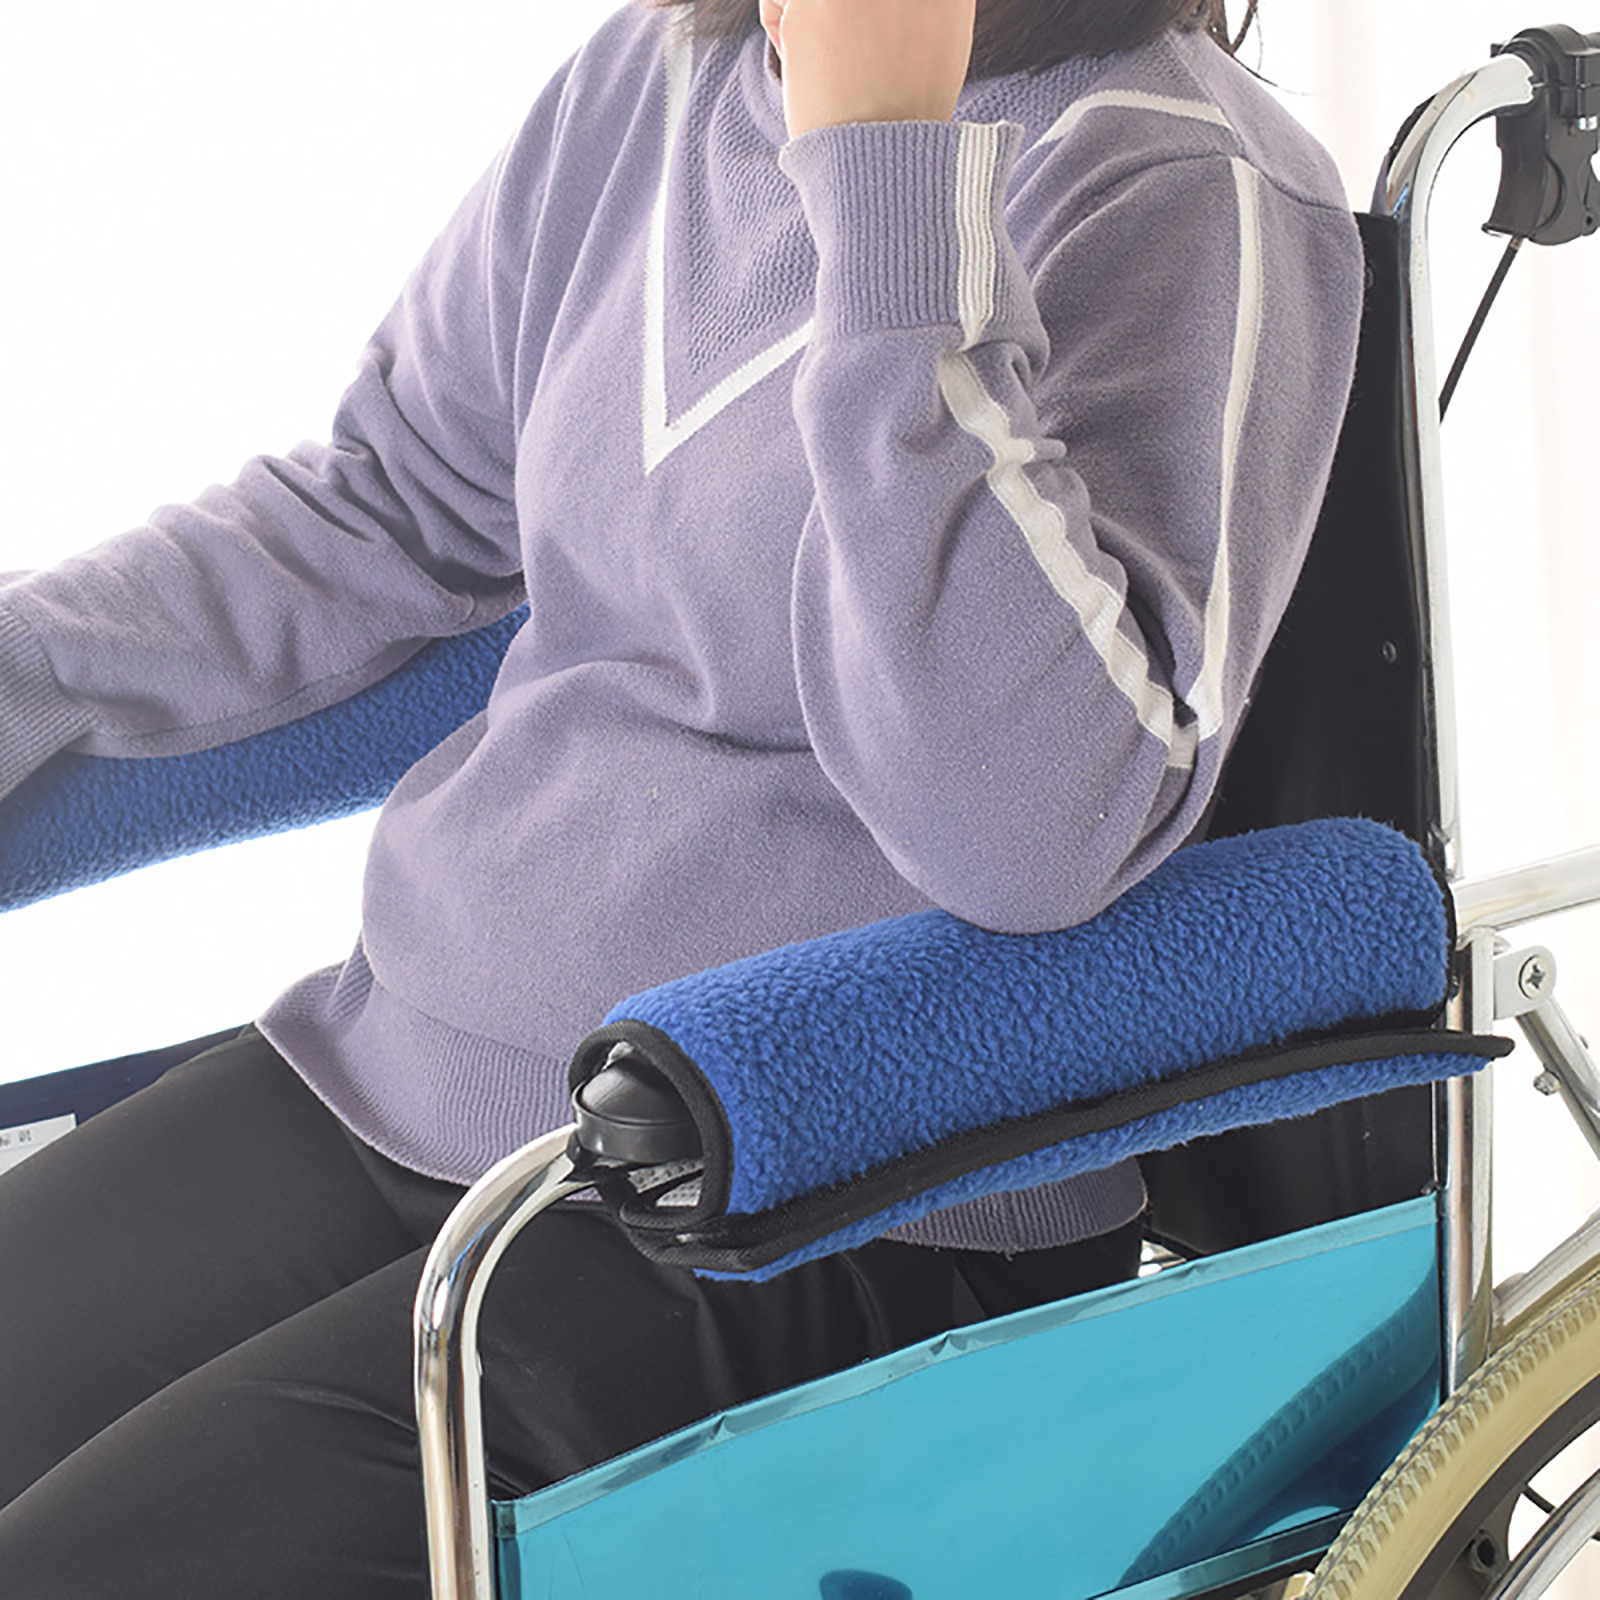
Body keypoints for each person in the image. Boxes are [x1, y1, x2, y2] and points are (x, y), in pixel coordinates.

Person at [0, 0, 1362, 1592]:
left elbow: (1028, 825)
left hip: (817, 1176)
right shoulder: (658, 76)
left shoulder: (1181, 180)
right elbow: (385, 512)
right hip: (414, 1059)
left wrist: (885, 173)